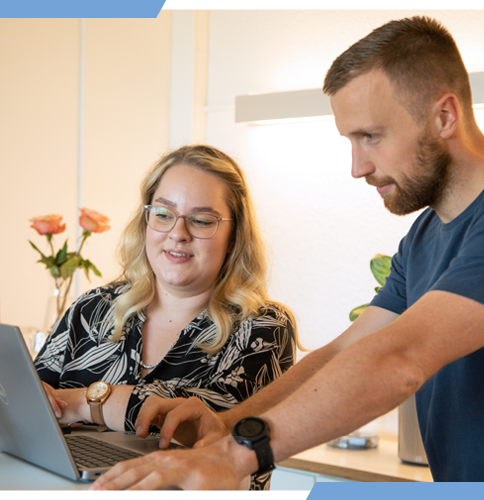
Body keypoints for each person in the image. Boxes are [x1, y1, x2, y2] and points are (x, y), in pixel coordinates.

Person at [89, 16, 484, 490]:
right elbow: (347, 351)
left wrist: (237, 455)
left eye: (370, 136)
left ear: (443, 116)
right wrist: (224, 424)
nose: (357, 166)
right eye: (350, 140)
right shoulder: (425, 236)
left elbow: (400, 359)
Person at [34, 144, 297, 491]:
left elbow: (193, 427)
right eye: (163, 213)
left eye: (202, 220)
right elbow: (34, 401)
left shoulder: (263, 327)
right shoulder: (93, 308)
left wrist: (81, 402)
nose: (178, 232)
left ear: (234, 237)